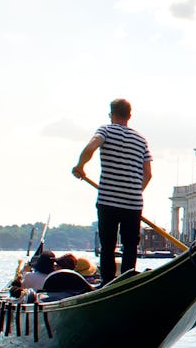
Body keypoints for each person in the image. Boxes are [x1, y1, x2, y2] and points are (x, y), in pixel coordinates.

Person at [74, 98, 154, 286]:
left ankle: (108, 282)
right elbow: (148, 174)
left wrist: (80, 166)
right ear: (129, 116)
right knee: (130, 246)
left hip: (108, 200)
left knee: (108, 245)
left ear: (111, 114)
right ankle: (127, 282)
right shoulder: (141, 139)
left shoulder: (105, 130)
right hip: (133, 202)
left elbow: (91, 147)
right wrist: (134, 190)